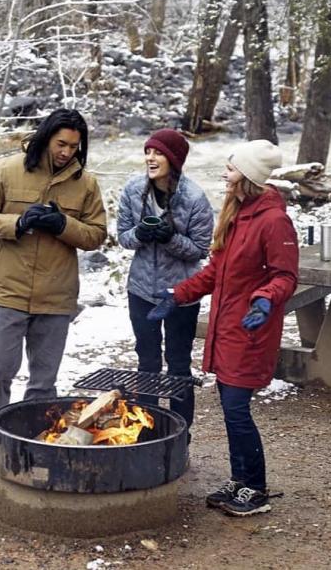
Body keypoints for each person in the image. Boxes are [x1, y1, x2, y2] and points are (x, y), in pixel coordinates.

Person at [149, 139, 298, 517]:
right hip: (228, 327)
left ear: (247, 176)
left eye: (231, 168)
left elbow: (285, 276)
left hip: (251, 330)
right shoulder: (237, 213)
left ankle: (256, 487)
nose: (224, 174)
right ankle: (240, 480)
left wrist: (265, 299)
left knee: (236, 410)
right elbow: (215, 272)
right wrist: (177, 295)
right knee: (231, 409)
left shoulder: (273, 220)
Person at [0, 108, 107, 480]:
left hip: (56, 297)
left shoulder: (85, 183)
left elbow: (96, 236)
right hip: (9, 292)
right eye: (61, 144)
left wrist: (63, 225)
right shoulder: (8, 169)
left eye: (74, 147)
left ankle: (33, 445)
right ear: (46, 138)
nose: (67, 152)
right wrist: (17, 222)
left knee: (44, 382)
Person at [116, 128, 213, 437]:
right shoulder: (133, 190)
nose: (150, 158)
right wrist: (140, 235)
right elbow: (122, 237)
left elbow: (200, 250)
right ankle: (147, 430)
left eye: (157, 153)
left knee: (179, 363)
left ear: (173, 158)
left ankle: (180, 432)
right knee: (147, 360)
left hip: (181, 293)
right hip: (141, 289)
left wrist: (171, 238)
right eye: (147, 151)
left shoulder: (195, 197)